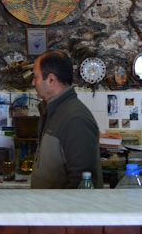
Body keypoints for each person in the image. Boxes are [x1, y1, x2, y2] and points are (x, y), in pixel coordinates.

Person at [30, 50, 103, 189]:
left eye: (36, 77)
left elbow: (81, 181)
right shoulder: (52, 110)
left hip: (62, 210)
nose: (33, 83)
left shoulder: (75, 119)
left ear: (51, 80)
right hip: (48, 208)